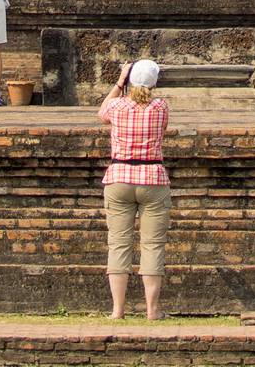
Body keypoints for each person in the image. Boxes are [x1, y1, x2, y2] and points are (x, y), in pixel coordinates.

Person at [99, 58, 171, 320]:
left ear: (130, 80)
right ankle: (152, 310)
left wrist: (120, 81)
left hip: (119, 176)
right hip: (152, 177)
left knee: (118, 244)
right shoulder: (160, 107)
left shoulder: (117, 106)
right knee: (152, 245)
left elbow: (101, 113)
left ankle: (118, 310)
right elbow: (163, 129)